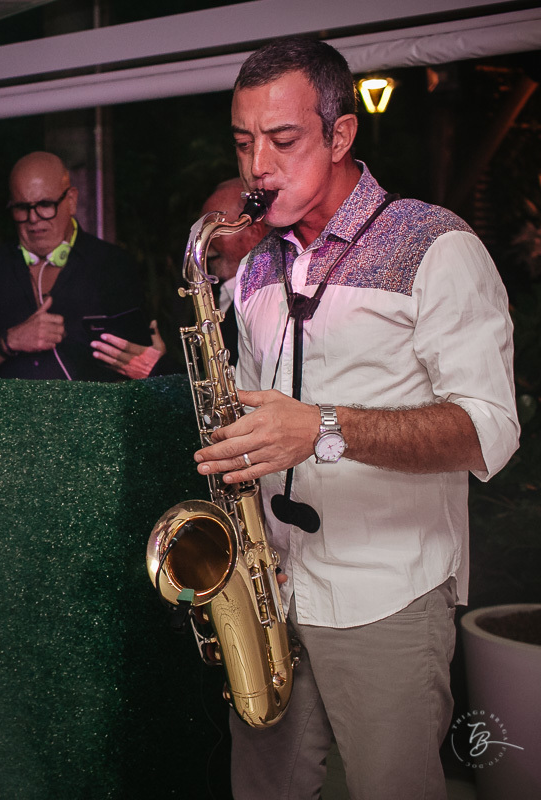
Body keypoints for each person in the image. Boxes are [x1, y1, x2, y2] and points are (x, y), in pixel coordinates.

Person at [194, 37, 519, 799]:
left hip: (388, 595)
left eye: (282, 140)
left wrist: (324, 428)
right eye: (244, 142)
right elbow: (253, 417)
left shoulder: (434, 246)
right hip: (272, 590)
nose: (256, 168)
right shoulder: (256, 271)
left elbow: (489, 430)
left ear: (342, 134)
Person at [0, 151, 170, 381]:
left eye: (45, 204)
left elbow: (144, 367)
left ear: (71, 201)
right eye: (22, 207)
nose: (33, 218)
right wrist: (10, 341)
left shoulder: (113, 265)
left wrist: (155, 366)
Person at [199, 176, 268, 360]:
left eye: (214, 231)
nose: (205, 244)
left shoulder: (270, 295)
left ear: (254, 231)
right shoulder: (212, 293)